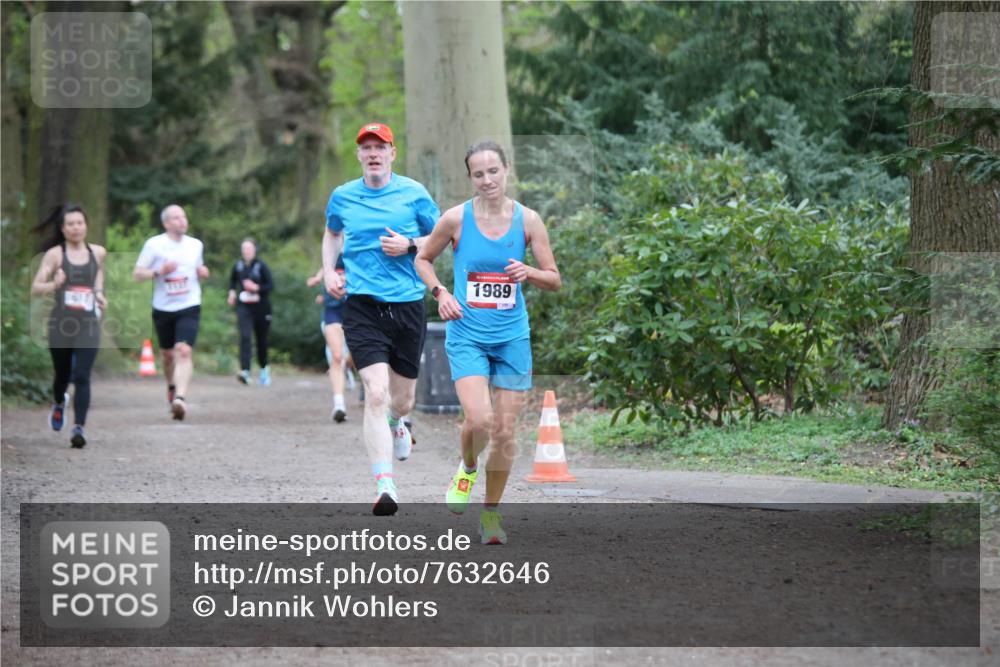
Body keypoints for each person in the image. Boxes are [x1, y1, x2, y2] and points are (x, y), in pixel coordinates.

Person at [415, 140, 561, 544]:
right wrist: (441, 293)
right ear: (470, 178)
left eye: (493, 171)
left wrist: (529, 272)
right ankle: (466, 468)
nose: (487, 180)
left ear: (506, 169)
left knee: (505, 433)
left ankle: (491, 515)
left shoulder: (529, 221)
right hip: (467, 335)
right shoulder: (455, 219)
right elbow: (422, 259)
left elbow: (554, 278)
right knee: (480, 421)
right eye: (478, 174)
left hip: (512, 337)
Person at [322, 122, 440, 516]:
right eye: (366, 148)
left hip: (407, 305)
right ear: (359, 155)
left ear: (392, 153)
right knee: (375, 392)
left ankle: (398, 422)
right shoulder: (343, 196)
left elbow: (442, 236)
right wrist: (328, 271)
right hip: (362, 306)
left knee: (402, 401)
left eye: (380, 147)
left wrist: (410, 244)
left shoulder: (414, 194)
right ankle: (385, 485)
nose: (373, 153)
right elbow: (332, 234)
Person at [31, 203, 108, 448]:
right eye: (71, 224)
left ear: (86, 226)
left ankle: (79, 428)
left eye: (80, 223)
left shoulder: (98, 252)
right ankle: (59, 402)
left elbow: (98, 279)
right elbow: (36, 288)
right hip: (61, 325)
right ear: (63, 229)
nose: (76, 228)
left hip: (88, 324)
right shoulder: (55, 255)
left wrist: (99, 295)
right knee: (62, 375)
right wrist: (54, 284)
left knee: (83, 375)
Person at [133, 204, 209, 421]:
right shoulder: (154, 245)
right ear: (166, 223)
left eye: (184, 217)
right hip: (163, 307)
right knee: (167, 356)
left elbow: (198, 269)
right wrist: (159, 271)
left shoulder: (196, 245)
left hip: (189, 305)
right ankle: (172, 387)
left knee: (183, 351)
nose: (182, 221)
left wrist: (202, 272)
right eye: (176, 218)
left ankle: (180, 399)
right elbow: (137, 274)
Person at [307, 258, 350, 421]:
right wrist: (318, 278)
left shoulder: (359, 248)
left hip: (355, 308)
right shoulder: (334, 250)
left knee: (356, 357)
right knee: (337, 356)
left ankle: (347, 366)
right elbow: (326, 266)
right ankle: (339, 405)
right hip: (332, 310)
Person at [227, 238, 274, 386]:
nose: (246, 251)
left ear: (255, 250)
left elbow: (270, 285)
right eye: (244, 249)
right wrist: (231, 293)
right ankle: (245, 371)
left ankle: (264, 369)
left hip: (261, 307)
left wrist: (256, 288)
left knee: (261, 340)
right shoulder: (238, 266)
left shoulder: (261, 266)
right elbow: (232, 282)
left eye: (249, 248)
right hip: (244, 306)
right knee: (245, 336)